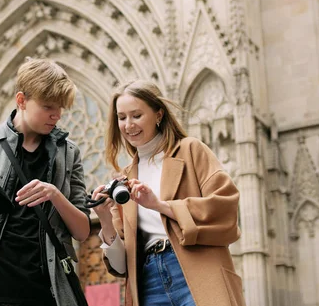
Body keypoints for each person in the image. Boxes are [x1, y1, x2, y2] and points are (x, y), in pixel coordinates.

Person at [0, 57, 91, 306]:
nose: (56, 115)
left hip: (49, 292)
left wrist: (55, 194)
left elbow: (82, 231)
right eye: (47, 107)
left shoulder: (69, 153)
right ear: (21, 100)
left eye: (61, 108)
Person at [91, 81, 245, 306]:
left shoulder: (191, 150)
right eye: (122, 117)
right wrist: (105, 219)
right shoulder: (123, 182)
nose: (128, 125)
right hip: (148, 283)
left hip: (196, 271)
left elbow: (226, 211)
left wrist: (159, 205)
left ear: (158, 115)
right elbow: (122, 266)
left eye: (136, 115)